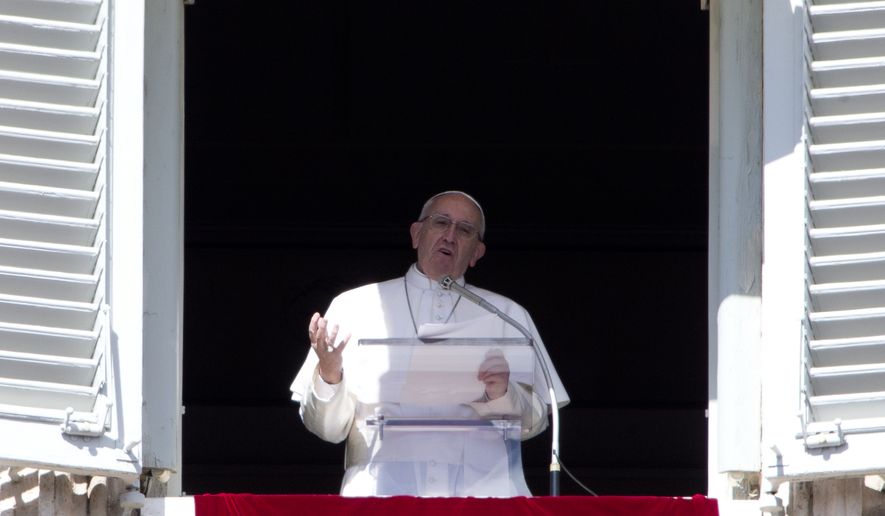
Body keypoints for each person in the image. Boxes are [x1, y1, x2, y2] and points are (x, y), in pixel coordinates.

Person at [290, 190, 569, 497]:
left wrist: (503, 393)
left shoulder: (508, 315)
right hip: (380, 499)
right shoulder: (354, 307)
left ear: (477, 252)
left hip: (485, 499)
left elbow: (535, 425)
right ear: (416, 234)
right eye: (440, 223)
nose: (450, 236)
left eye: (464, 230)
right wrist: (330, 374)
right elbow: (327, 430)